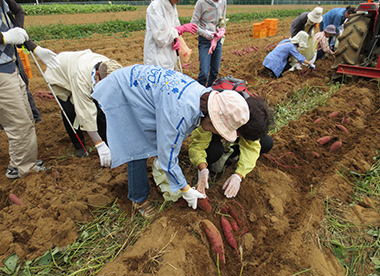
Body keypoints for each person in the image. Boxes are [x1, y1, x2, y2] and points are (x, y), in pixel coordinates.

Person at [91, 64, 269, 218]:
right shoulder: (180, 113)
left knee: (155, 140)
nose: (220, 135)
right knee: (136, 146)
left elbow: (171, 139)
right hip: (122, 93)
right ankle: (139, 199)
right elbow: (168, 155)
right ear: (213, 119)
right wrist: (186, 190)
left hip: (141, 89)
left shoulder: (204, 97)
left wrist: (202, 170)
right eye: (220, 130)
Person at [0, 0, 60, 179]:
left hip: (10, 66)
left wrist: (28, 42)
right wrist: (4, 38)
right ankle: (22, 169)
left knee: (26, 116)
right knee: (18, 123)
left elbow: (18, 11)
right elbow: (7, 35)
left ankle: (25, 162)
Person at [44, 50, 122, 163]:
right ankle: (79, 146)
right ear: (96, 75)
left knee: (99, 112)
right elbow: (86, 113)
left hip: (76, 65)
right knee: (70, 111)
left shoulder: (111, 67)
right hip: (59, 75)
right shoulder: (82, 79)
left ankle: (107, 140)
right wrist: (99, 145)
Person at [189, 95, 273, 198]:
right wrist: (202, 168)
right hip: (212, 139)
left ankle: (230, 156)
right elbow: (198, 146)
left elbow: (251, 148)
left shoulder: (250, 123)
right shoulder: (219, 115)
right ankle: (210, 166)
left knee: (266, 143)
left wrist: (239, 175)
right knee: (215, 150)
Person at [143, 0, 198, 70]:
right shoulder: (156, 7)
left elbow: (174, 28)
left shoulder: (172, 7)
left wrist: (175, 39)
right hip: (156, 59)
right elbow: (160, 36)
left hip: (169, 57)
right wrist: (180, 29)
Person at [191, 0, 227, 87]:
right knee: (204, 72)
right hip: (205, 41)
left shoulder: (223, 2)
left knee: (215, 72)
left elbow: (223, 20)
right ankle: (200, 94)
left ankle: (210, 93)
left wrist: (222, 29)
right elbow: (193, 24)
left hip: (217, 40)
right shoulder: (201, 3)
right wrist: (205, 33)